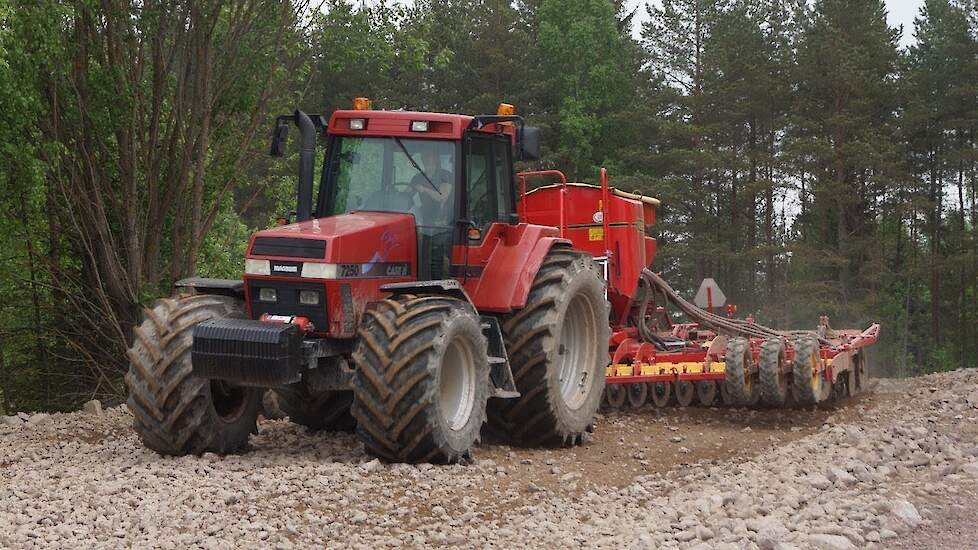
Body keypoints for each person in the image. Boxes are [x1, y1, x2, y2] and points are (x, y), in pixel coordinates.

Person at [409, 146, 454, 226]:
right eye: (423, 156)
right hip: (425, 217)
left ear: (436, 158)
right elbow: (407, 193)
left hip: (444, 220)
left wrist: (424, 189)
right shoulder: (417, 178)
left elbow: (442, 197)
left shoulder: (445, 175)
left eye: (428, 155)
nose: (425, 158)